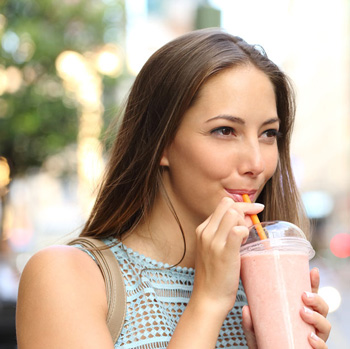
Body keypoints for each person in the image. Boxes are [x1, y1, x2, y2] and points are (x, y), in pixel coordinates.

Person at [16, 28, 331, 348]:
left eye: (268, 134)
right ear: (161, 142)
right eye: (225, 130)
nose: (256, 162)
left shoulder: (264, 283)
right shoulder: (67, 277)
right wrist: (207, 303)